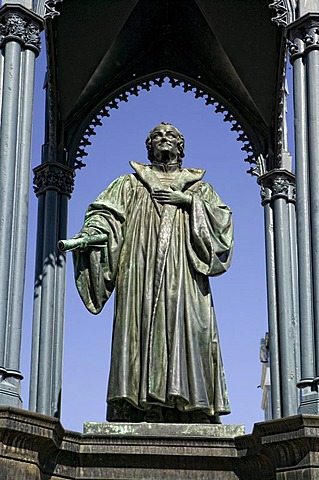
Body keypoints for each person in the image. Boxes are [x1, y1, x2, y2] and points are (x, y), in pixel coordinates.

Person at [72, 122, 233, 423]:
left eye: (170, 135)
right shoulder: (130, 184)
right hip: (140, 270)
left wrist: (189, 202)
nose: (163, 139)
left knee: (191, 328)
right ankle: (138, 404)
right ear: (149, 146)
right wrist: (92, 233)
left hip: (185, 272)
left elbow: (222, 226)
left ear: (180, 146)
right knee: (140, 326)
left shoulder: (200, 188)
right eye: (157, 136)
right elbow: (105, 214)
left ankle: (192, 406)